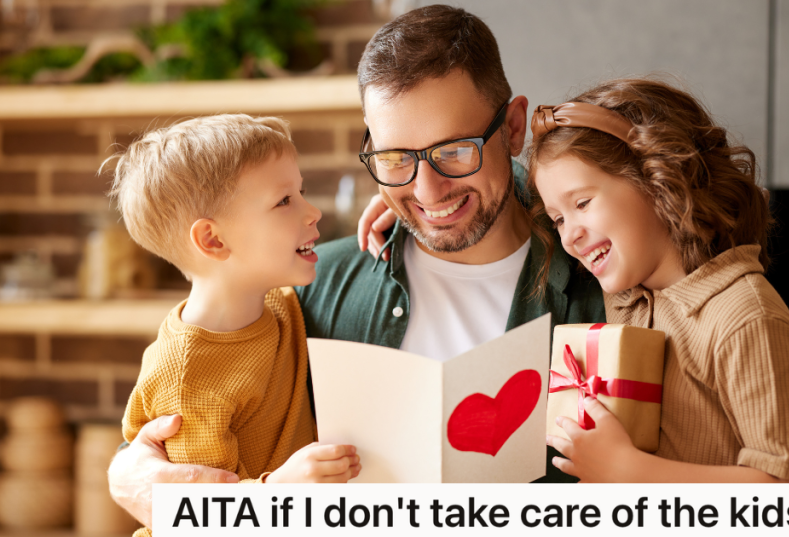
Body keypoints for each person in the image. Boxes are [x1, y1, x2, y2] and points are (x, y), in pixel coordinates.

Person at [107, 6, 605, 525]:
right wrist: (130, 474)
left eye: (454, 151)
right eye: (396, 158)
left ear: (514, 127)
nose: (427, 190)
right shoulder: (312, 286)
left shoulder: (605, 282)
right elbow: (187, 416)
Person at [528, 78, 789, 483]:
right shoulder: (627, 300)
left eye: (582, 203)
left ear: (658, 178)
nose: (569, 236)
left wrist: (627, 470)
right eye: (559, 219)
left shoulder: (746, 319)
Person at [109, 114, 362, 534]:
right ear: (213, 240)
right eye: (284, 201)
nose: (313, 212)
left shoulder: (282, 307)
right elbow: (204, 520)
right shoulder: (187, 375)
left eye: (301, 192)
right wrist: (283, 488)